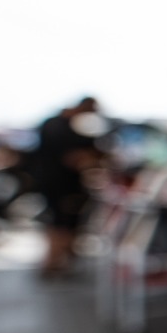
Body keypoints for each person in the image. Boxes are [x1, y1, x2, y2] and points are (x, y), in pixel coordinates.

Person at [34, 97, 103, 276]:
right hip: (59, 184)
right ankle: (54, 262)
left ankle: (59, 261)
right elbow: (74, 158)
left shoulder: (58, 124)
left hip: (56, 183)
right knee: (62, 222)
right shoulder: (60, 127)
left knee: (63, 222)